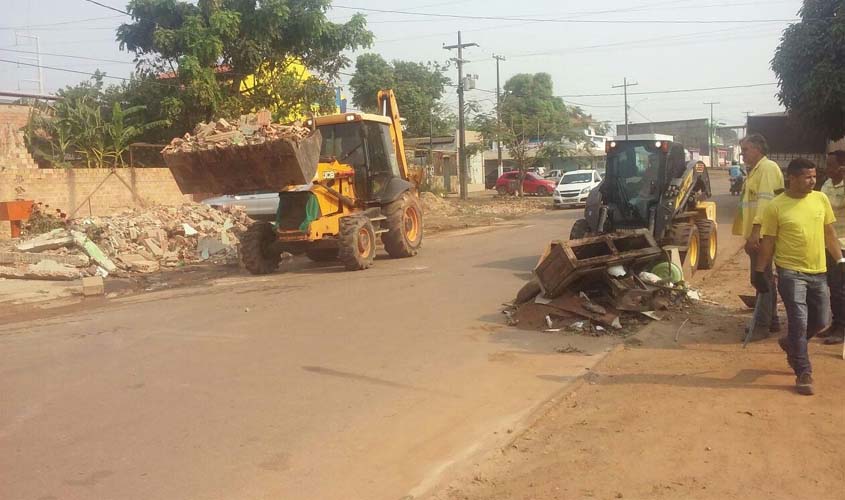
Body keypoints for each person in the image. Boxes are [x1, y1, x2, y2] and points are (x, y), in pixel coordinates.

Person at [755, 158, 845, 395]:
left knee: (822, 319)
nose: (812, 181)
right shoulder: (776, 206)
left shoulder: (820, 199)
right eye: (807, 177)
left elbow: (829, 233)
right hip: (790, 272)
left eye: (814, 176)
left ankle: (791, 344)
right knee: (798, 320)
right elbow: (769, 241)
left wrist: (841, 260)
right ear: (791, 179)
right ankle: (803, 371)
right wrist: (759, 271)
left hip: (818, 271)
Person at [733, 134, 785, 338]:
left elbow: (766, 203)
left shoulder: (767, 169)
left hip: (764, 234)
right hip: (758, 233)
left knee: (761, 278)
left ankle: (762, 325)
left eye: (745, 150)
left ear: (757, 149)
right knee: (764, 279)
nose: (742, 154)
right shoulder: (755, 171)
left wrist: (756, 232)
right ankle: (771, 320)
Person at [818, 150, 845, 344]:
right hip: (828, 243)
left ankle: (842, 328)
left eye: (831, 165)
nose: (827, 169)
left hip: (843, 244)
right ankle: (836, 323)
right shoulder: (827, 184)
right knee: (833, 286)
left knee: (839, 288)